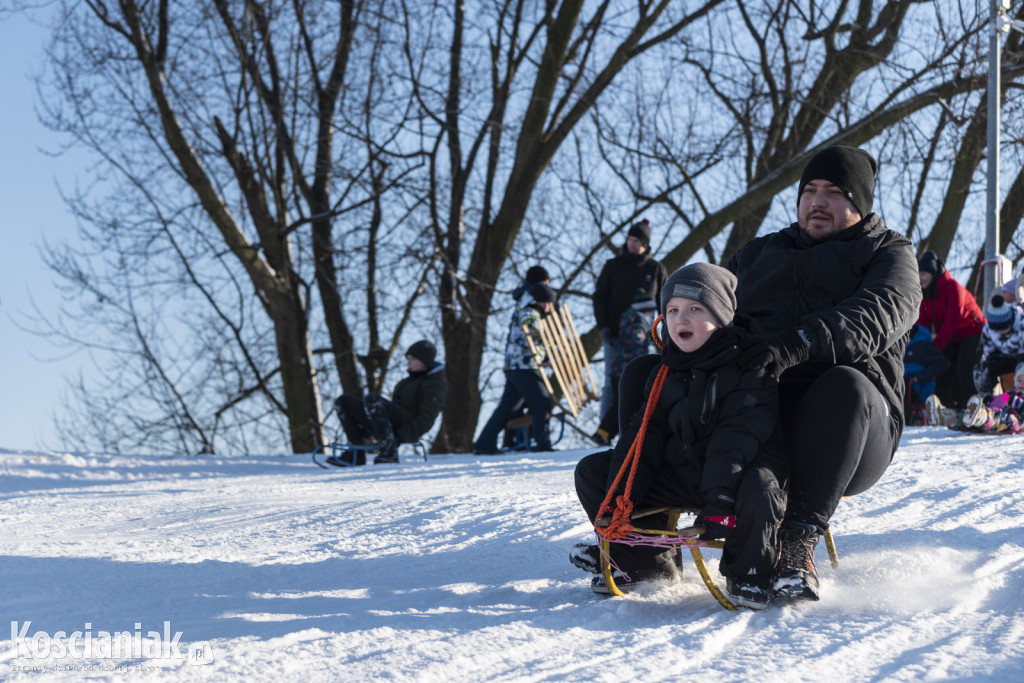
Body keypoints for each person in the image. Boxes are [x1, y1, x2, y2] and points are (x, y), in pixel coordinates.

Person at [725, 145, 921, 601]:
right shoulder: (757, 254)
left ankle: (798, 539)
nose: (817, 201)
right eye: (809, 190)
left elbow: (878, 313)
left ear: (859, 204)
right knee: (649, 372)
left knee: (845, 384)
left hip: (852, 430)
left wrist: (799, 342)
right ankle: (642, 533)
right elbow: (711, 306)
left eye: (834, 192)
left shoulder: (889, 252)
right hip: (762, 415)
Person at [571, 263, 787, 609]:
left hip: (734, 477)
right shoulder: (664, 374)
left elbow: (737, 438)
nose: (680, 319)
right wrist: (616, 497)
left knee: (761, 488)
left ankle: (748, 571)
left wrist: (719, 502)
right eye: (672, 310)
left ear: (721, 317)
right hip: (684, 475)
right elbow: (642, 439)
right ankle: (643, 564)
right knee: (593, 471)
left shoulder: (750, 367)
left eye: (695, 309)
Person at [592, 220, 667, 440]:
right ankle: (604, 430)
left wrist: (662, 335)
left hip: (642, 338)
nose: (632, 244)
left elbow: (665, 302)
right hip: (614, 335)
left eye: (637, 241)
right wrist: (604, 328)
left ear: (645, 244)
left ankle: (625, 429)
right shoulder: (613, 266)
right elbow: (599, 297)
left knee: (637, 380)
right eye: (630, 240)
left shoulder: (655, 269)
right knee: (611, 382)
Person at [473, 283, 557, 454]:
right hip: (524, 365)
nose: (548, 308)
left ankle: (484, 443)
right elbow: (532, 337)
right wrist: (546, 348)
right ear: (540, 301)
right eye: (546, 303)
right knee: (541, 401)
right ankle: (539, 441)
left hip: (515, 366)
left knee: (508, 407)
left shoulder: (525, 310)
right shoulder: (530, 313)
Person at [333, 340, 447, 464]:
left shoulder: (435, 385)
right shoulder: (410, 380)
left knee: (373, 399)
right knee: (343, 401)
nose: (408, 363)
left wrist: (399, 437)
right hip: (390, 424)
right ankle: (355, 452)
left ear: (425, 361)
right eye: (408, 359)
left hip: (405, 424)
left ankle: (389, 451)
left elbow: (426, 419)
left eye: (413, 359)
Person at [916, 249, 986, 410]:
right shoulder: (924, 295)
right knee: (943, 371)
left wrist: (936, 347)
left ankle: (971, 410)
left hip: (972, 331)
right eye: (918, 274)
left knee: (965, 371)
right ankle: (945, 411)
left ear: (934, 273)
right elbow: (923, 323)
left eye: (924, 274)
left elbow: (953, 320)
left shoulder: (952, 288)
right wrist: (925, 346)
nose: (920, 278)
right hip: (951, 336)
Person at [592, 290, 658, 445]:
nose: (652, 315)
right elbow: (635, 347)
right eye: (650, 311)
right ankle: (603, 434)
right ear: (643, 310)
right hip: (624, 370)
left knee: (622, 403)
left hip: (622, 369)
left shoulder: (636, 323)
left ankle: (606, 434)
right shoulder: (634, 324)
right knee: (621, 403)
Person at [959, 296, 1024, 430]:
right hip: (1003, 357)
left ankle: (1019, 401)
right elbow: (989, 353)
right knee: (981, 370)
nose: (1000, 331)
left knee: (1021, 370)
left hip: (1022, 356)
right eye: (997, 328)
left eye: (1004, 327)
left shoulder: (1021, 323)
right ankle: (987, 403)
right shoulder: (988, 329)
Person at [904, 323, 951, 406]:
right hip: (905, 383)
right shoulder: (904, 347)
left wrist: (920, 376)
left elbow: (944, 363)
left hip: (916, 387)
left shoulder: (922, 346)